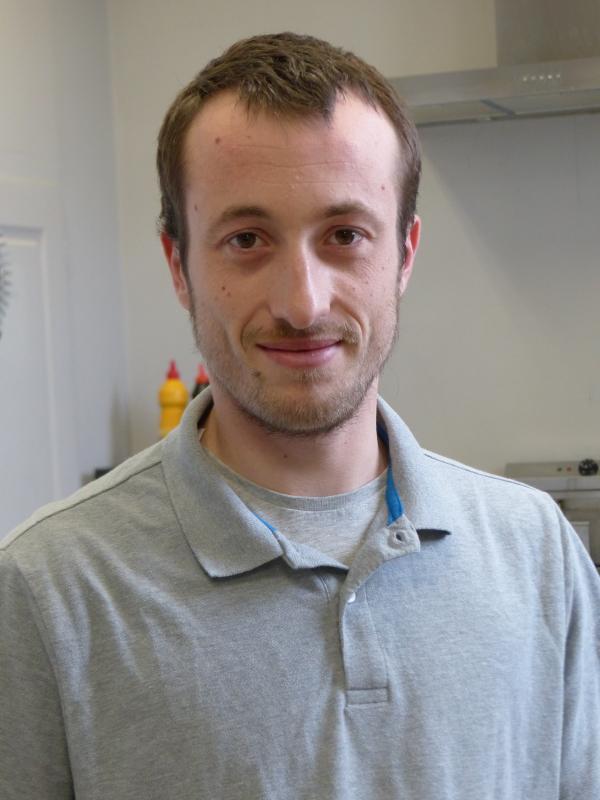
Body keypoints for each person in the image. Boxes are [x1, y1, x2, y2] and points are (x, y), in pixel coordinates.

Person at [1, 32, 599, 800]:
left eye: (345, 235)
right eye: (247, 240)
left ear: (405, 254)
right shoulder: (46, 591)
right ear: (179, 265)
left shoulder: (538, 554)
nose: (302, 302)